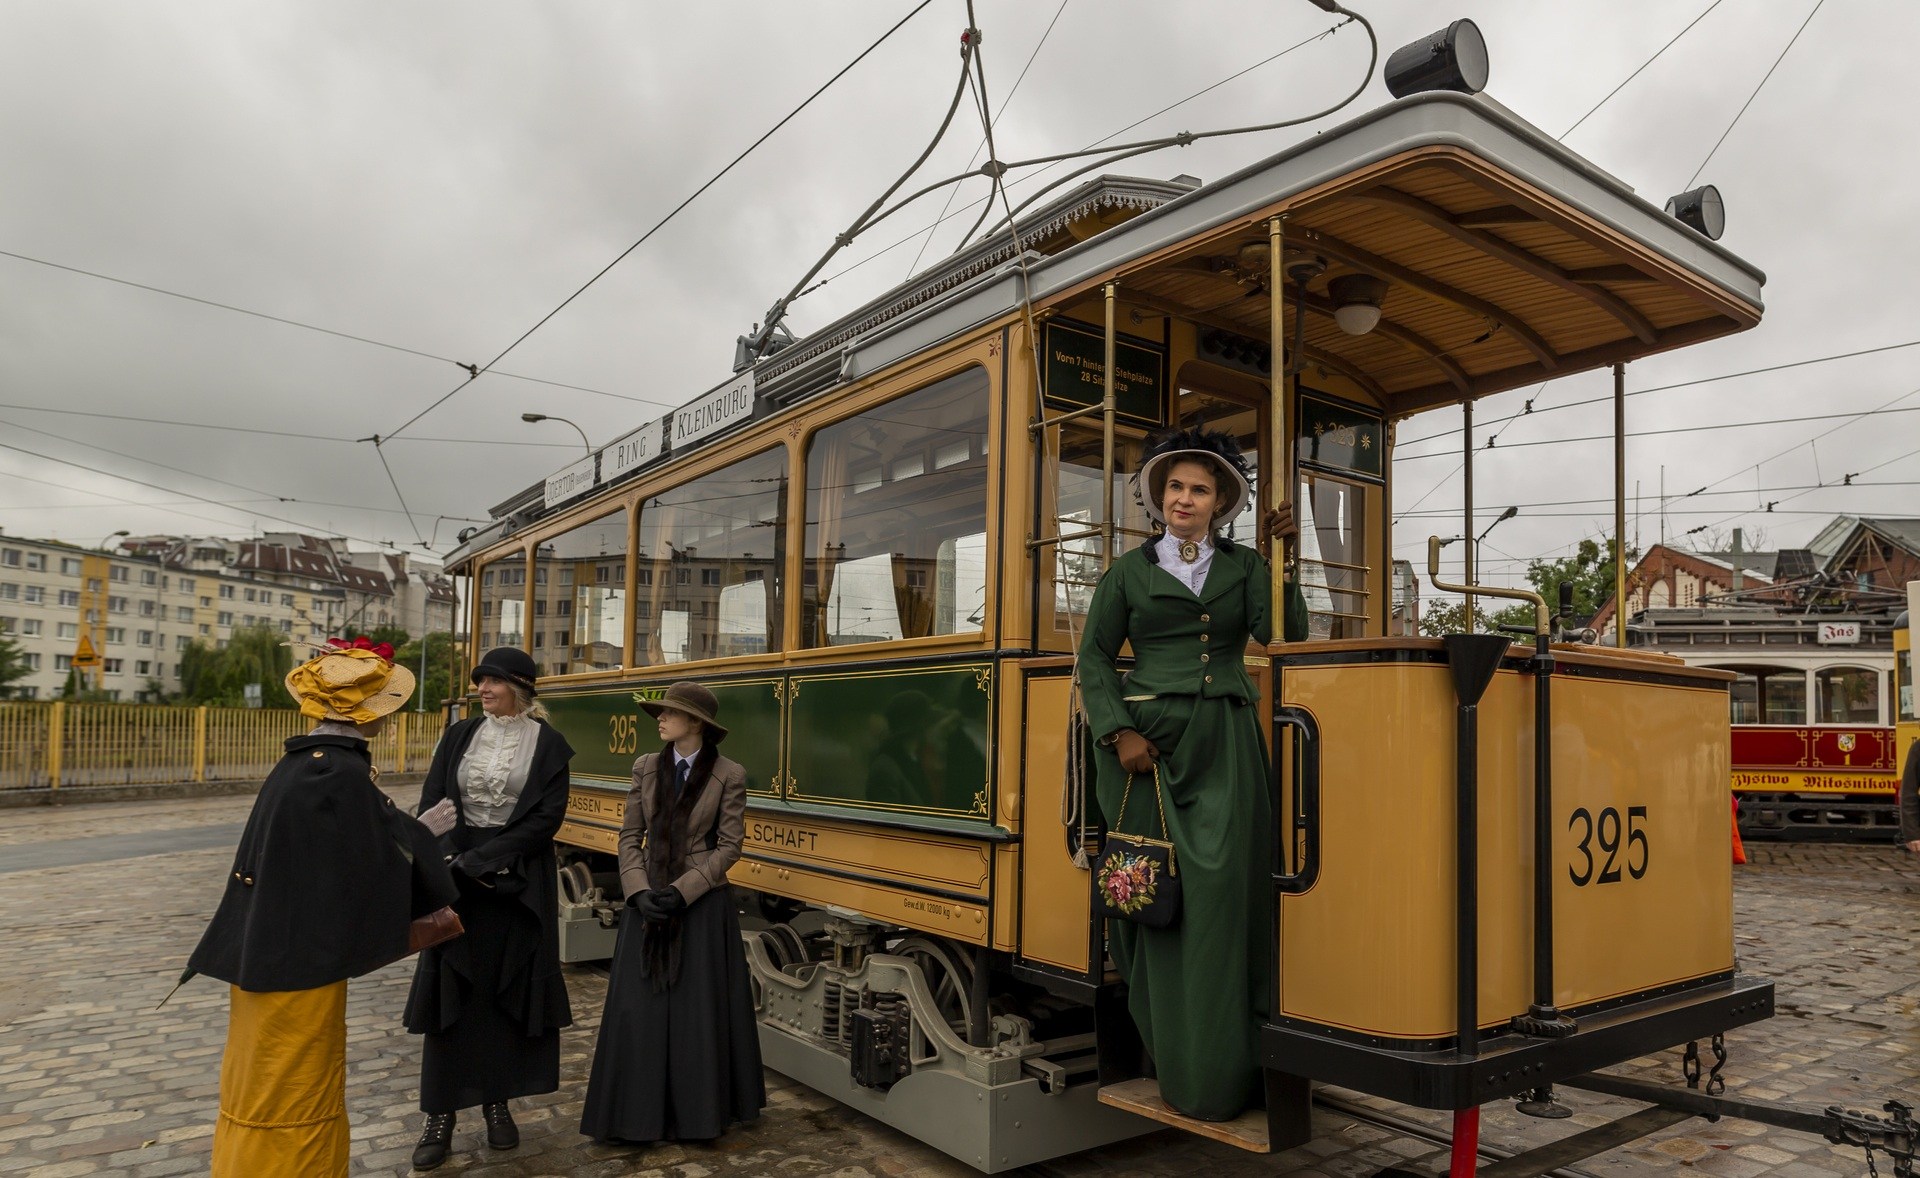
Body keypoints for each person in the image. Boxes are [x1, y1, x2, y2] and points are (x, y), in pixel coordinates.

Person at [1077, 426, 1304, 1122]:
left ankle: (1230, 1070)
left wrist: (1282, 560)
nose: (1184, 498)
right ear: (1159, 496)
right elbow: (1091, 659)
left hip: (1227, 741)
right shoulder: (1128, 572)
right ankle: (1176, 1061)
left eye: (1199, 488)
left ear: (1220, 501)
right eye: (1174, 486)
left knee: (1226, 901)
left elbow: (1283, 636)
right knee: (1155, 901)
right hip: (1144, 753)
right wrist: (1118, 734)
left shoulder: (1243, 567)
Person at [185, 637, 456, 1177]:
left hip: (266, 955)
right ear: (364, 717)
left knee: (262, 1075)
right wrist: (423, 835)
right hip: (299, 966)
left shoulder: (300, 765)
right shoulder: (338, 773)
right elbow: (370, 860)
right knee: (296, 1079)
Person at [404, 647, 575, 1171]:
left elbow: (546, 819)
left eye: (492, 682)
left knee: (506, 990)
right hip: (456, 880)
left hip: (517, 884)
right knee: (450, 988)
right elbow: (434, 800)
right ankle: (440, 1115)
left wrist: (487, 858)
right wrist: (456, 858)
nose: (482, 688)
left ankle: (498, 1104)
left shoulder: (549, 746)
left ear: (518, 688)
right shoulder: (457, 735)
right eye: (480, 681)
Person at [580, 680, 765, 1145]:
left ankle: (698, 1116)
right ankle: (636, 1116)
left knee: (695, 1014)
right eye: (659, 712)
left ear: (696, 723)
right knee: (638, 1010)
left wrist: (684, 892)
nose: (659, 718)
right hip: (647, 905)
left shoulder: (729, 774)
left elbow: (729, 847)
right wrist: (638, 891)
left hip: (700, 908)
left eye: (669, 712)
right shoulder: (644, 767)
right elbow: (628, 837)